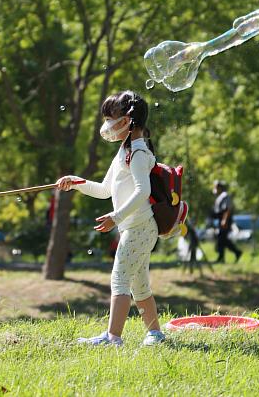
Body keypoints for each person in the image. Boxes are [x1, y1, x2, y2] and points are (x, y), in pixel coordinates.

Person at [56, 90, 164, 347]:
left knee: (120, 279)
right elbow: (105, 190)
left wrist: (116, 217)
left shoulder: (137, 152)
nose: (106, 125)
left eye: (109, 118)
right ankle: (156, 334)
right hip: (137, 228)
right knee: (139, 285)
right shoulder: (124, 151)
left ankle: (113, 337)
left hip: (139, 228)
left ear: (127, 120)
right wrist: (76, 182)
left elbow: (143, 191)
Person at [212, 180, 242, 263]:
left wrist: (224, 220)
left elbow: (227, 209)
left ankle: (234, 253)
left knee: (222, 239)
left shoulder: (225, 196)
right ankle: (227, 256)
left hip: (225, 220)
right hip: (221, 220)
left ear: (219, 188)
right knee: (222, 239)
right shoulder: (220, 196)